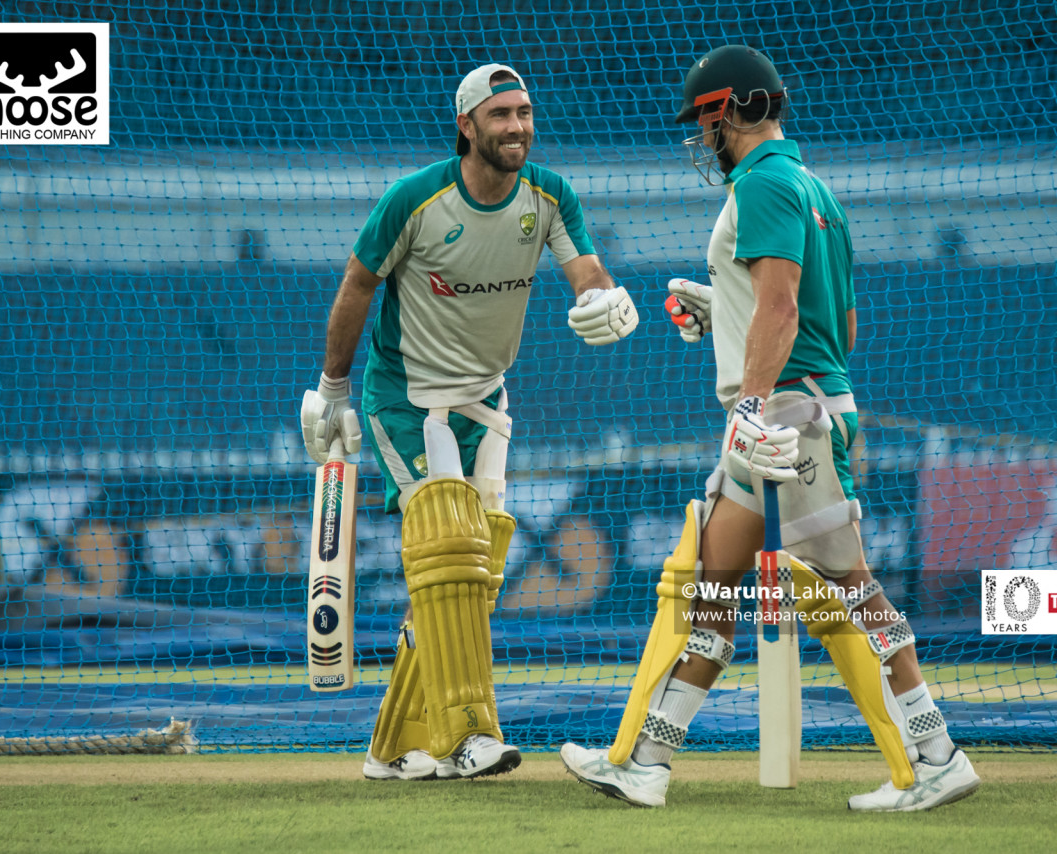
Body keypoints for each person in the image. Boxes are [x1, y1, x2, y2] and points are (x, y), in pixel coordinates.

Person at [560, 45, 979, 811]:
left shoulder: (762, 183)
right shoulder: (816, 187)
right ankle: (648, 764)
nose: (702, 139)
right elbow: (837, 326)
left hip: (789, 417)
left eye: (706, 121)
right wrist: (721, 311)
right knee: (713, 588)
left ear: (731, 110)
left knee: (854, 587)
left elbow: (784, 312)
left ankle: (939, 754)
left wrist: (752, 405)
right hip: (798, 406)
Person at [300, 64, 638, 781]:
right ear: (467, 126)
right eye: (501, 114)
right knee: (450, 552)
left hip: (488, 401)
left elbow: (586, 271)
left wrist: (608, 301)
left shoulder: (549, 196)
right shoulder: (414, 200)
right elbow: (359, 283)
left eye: (524, 112)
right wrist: (332, 389)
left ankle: (391, 749)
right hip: (408, 399)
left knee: (473, 575)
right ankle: (466, 737)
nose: (517, 126)